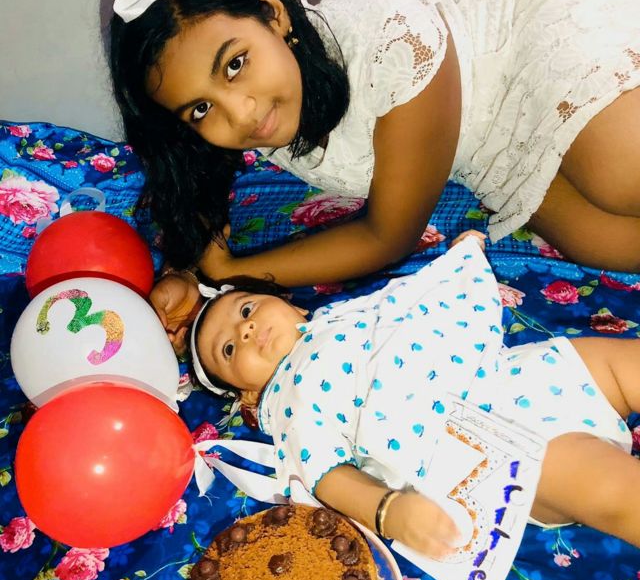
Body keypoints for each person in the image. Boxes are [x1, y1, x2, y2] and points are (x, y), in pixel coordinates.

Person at [110, 0, 640, 294]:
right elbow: (192, 185)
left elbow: (388, 236)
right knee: (611, 246)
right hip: (484, 137)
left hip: (524, 12)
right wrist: (185, 270)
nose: (241, 112)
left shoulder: (394, 45)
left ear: (274, 14)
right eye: (200, 108)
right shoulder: (247, 113)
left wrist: (229, 272)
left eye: (234, 65)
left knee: (618, 173)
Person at [162, 234, 639, 562]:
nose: (245, 330)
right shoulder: (291, 403)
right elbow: (326, 476)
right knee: (608, 486)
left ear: (288, 303)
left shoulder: (339, 316)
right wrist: (388, 511)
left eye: (245, 309)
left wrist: (457, 264)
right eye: (229, 350)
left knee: (620, 365)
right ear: (248, 393)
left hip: (520, 375)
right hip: (497, 447)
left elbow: (412, 301)